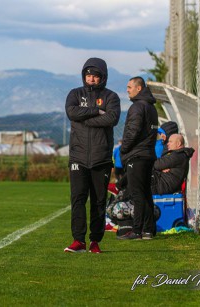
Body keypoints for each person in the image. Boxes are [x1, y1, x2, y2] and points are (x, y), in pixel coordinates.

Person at [64, 57, 121, 253]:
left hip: (101, 158)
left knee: (98, 201)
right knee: (78, 199)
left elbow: (112, 118)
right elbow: (72, 112)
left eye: (95, 76)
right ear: (84, 76)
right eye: (88, 75)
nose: (91, 79)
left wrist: (85, 119)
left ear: (102, 77)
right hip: (78, 158)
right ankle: (78, 241)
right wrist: (97, 111)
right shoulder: (74, 94)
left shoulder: (112, 97)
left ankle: (95, 241)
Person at [118, 76, 158, 240]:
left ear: (139, 88)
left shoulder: (137, 107)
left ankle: (137, 231)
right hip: (148, 155)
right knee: (146, 194)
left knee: (137, 194)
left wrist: (124, 149)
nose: (127, 90)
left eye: (129, 87)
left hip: (137, 156)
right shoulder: (151, 107)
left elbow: (132, 132)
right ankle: (148, 230)